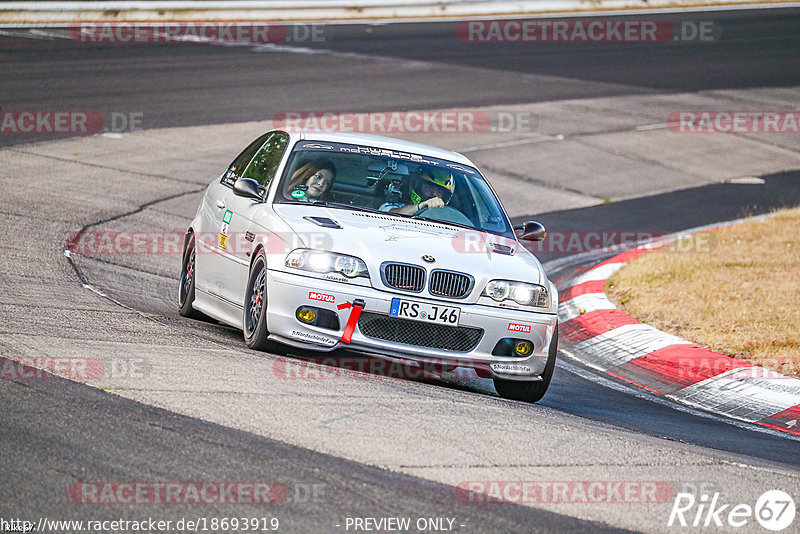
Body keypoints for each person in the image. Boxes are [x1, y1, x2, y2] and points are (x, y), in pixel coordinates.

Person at [379, 168, 455, 215]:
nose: (434, 194)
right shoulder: (390, 206)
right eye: (429, 187)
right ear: (416, 185)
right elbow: (391, 215)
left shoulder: (447, 215)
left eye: (439, 191)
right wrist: (421, 206)